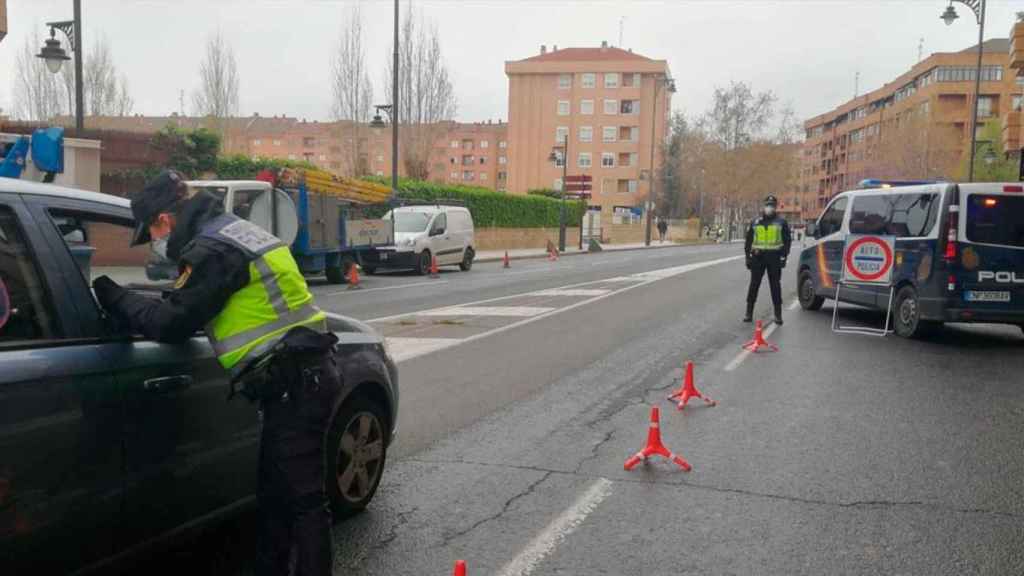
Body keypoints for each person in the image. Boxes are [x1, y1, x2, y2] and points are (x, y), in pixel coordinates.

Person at [91, 170, 340, 576]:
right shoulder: (232, 233)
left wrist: (115, 297)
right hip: (302, 377)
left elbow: (173, 323)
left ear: (165, 221)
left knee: (303, 502)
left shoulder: (212, 249)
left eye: (151, 232)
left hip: (296, 383)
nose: (154, 243)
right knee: (277, 497)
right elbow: (196, 297)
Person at [744, 195, 792, 325]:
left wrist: (784, 257)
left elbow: (787, 241)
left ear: (775, 207)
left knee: (775, 286)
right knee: (754, 285)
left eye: (772, 205)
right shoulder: (755, 221)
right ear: (764, 206)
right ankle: (748, 312)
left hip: (774, 258)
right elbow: (748, 241)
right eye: (767, 205)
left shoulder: (781, 222)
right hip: (758, 258)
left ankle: (778, 314)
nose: (769, 208)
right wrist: (747, 257)